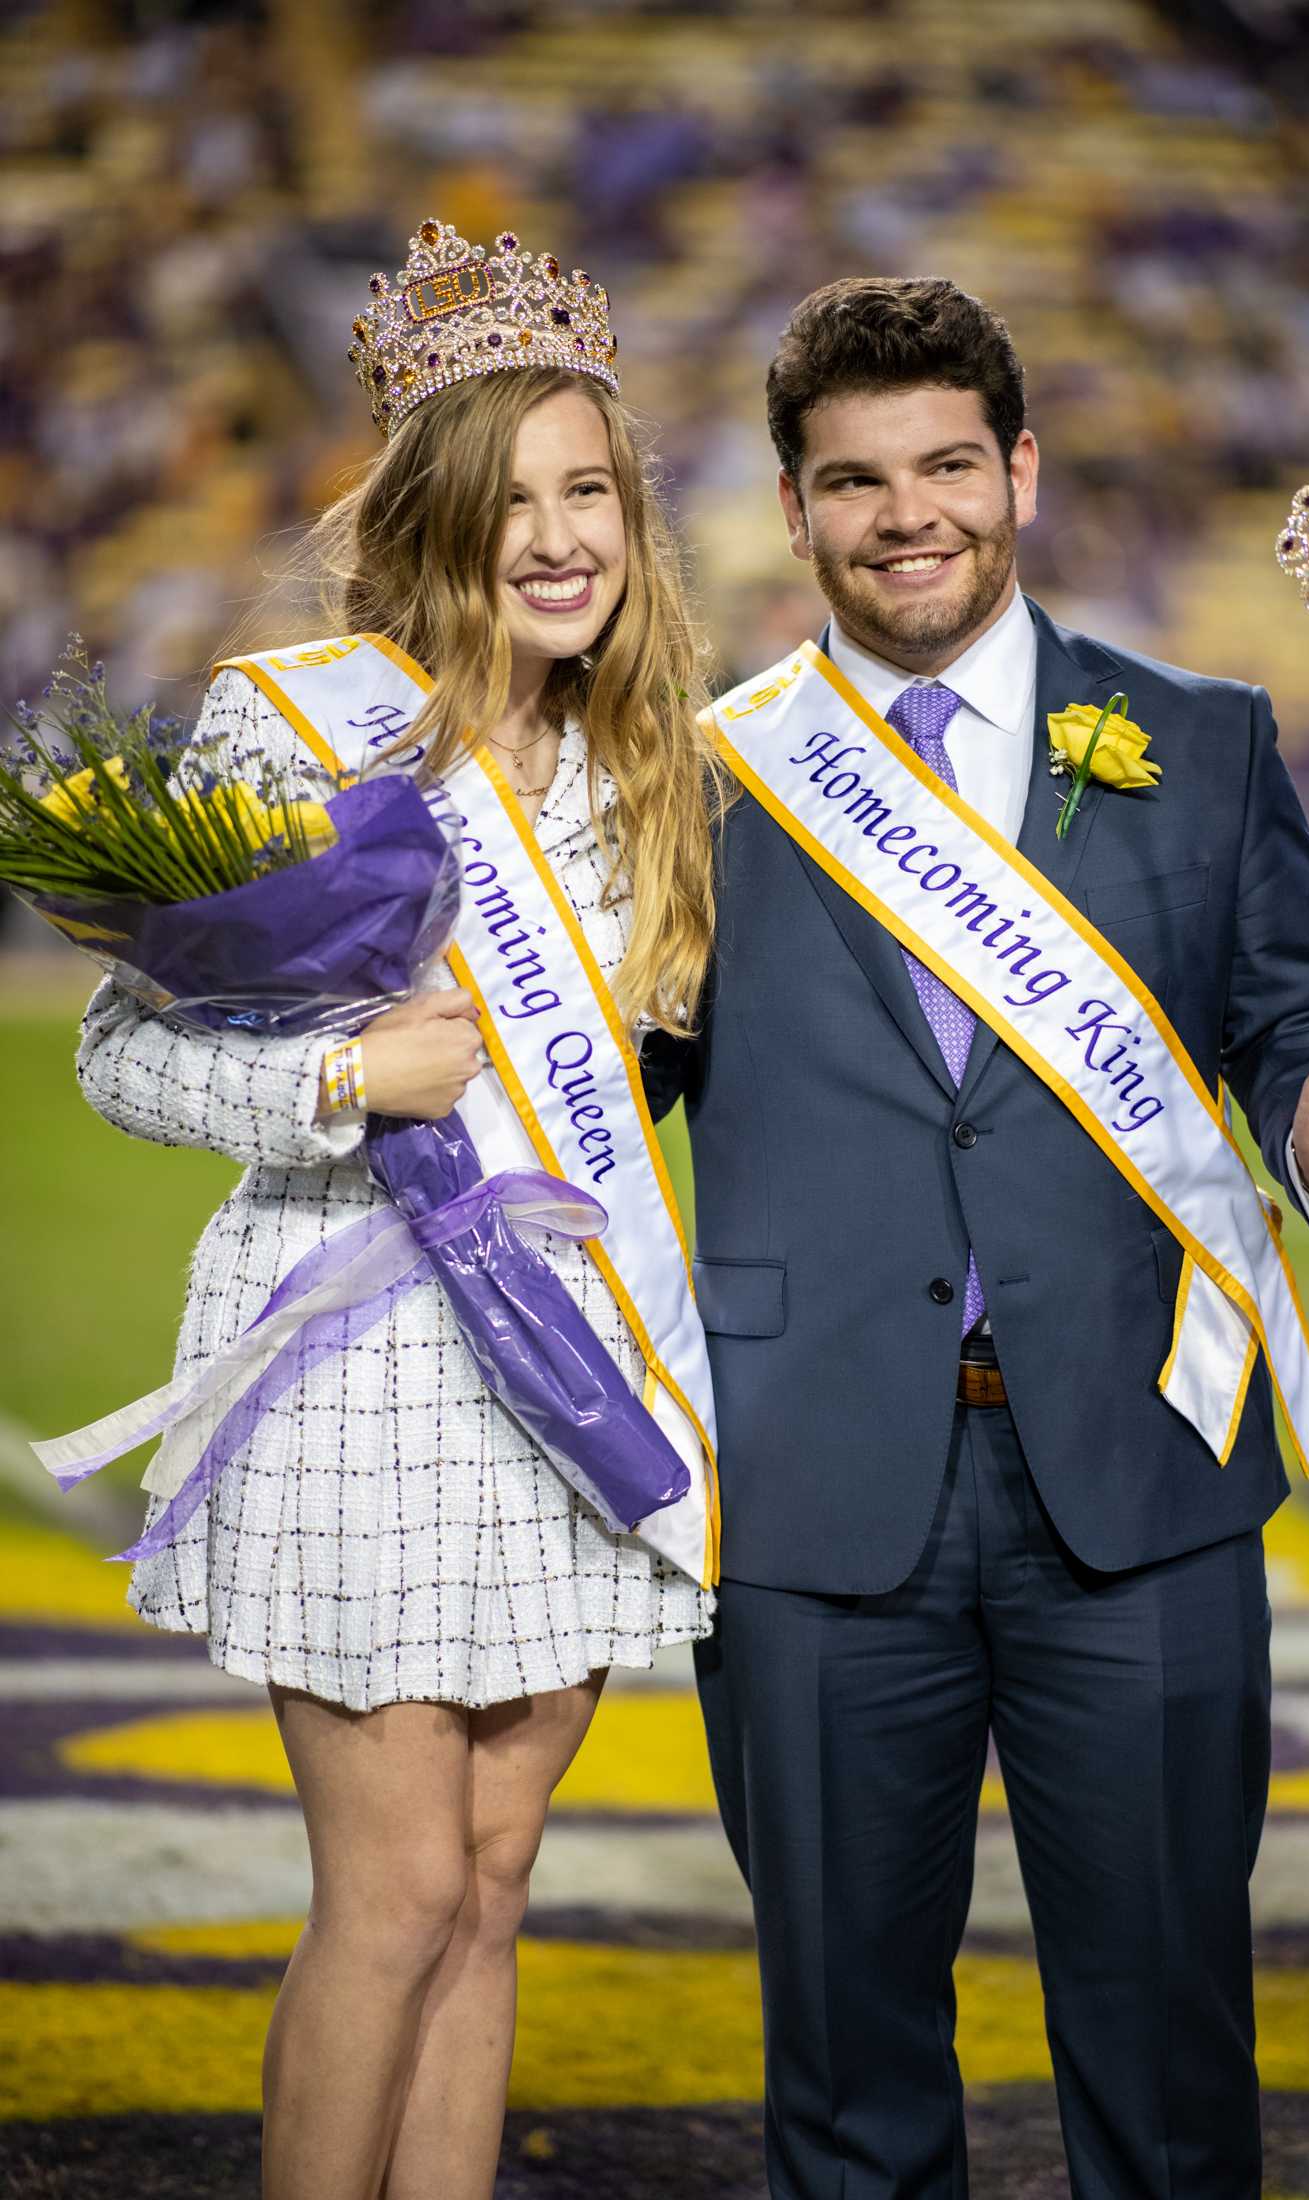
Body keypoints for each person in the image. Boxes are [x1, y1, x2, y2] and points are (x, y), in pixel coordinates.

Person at [641, 276, 1309, 2199]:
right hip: (817, 1489)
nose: (906, 514)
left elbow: (1284, 1033)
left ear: (1024, 472)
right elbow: (586, 1077)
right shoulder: (696, 776)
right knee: (844, 2066)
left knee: (1168, 2063)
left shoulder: (1212, 740)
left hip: (1140, 1472)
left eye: (944, 465)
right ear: (794, 506)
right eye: (853, 481)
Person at [75, 222, 726, 2200]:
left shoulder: (645, 769)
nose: (556, 539)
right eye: (508, 499)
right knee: (394, 1883)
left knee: (497, 1875)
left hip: (568, 1358)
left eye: (586, 493)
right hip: (359, 1350)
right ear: (431, 516)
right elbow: (124, 1050)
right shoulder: (293, 721)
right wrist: (347, 1077)